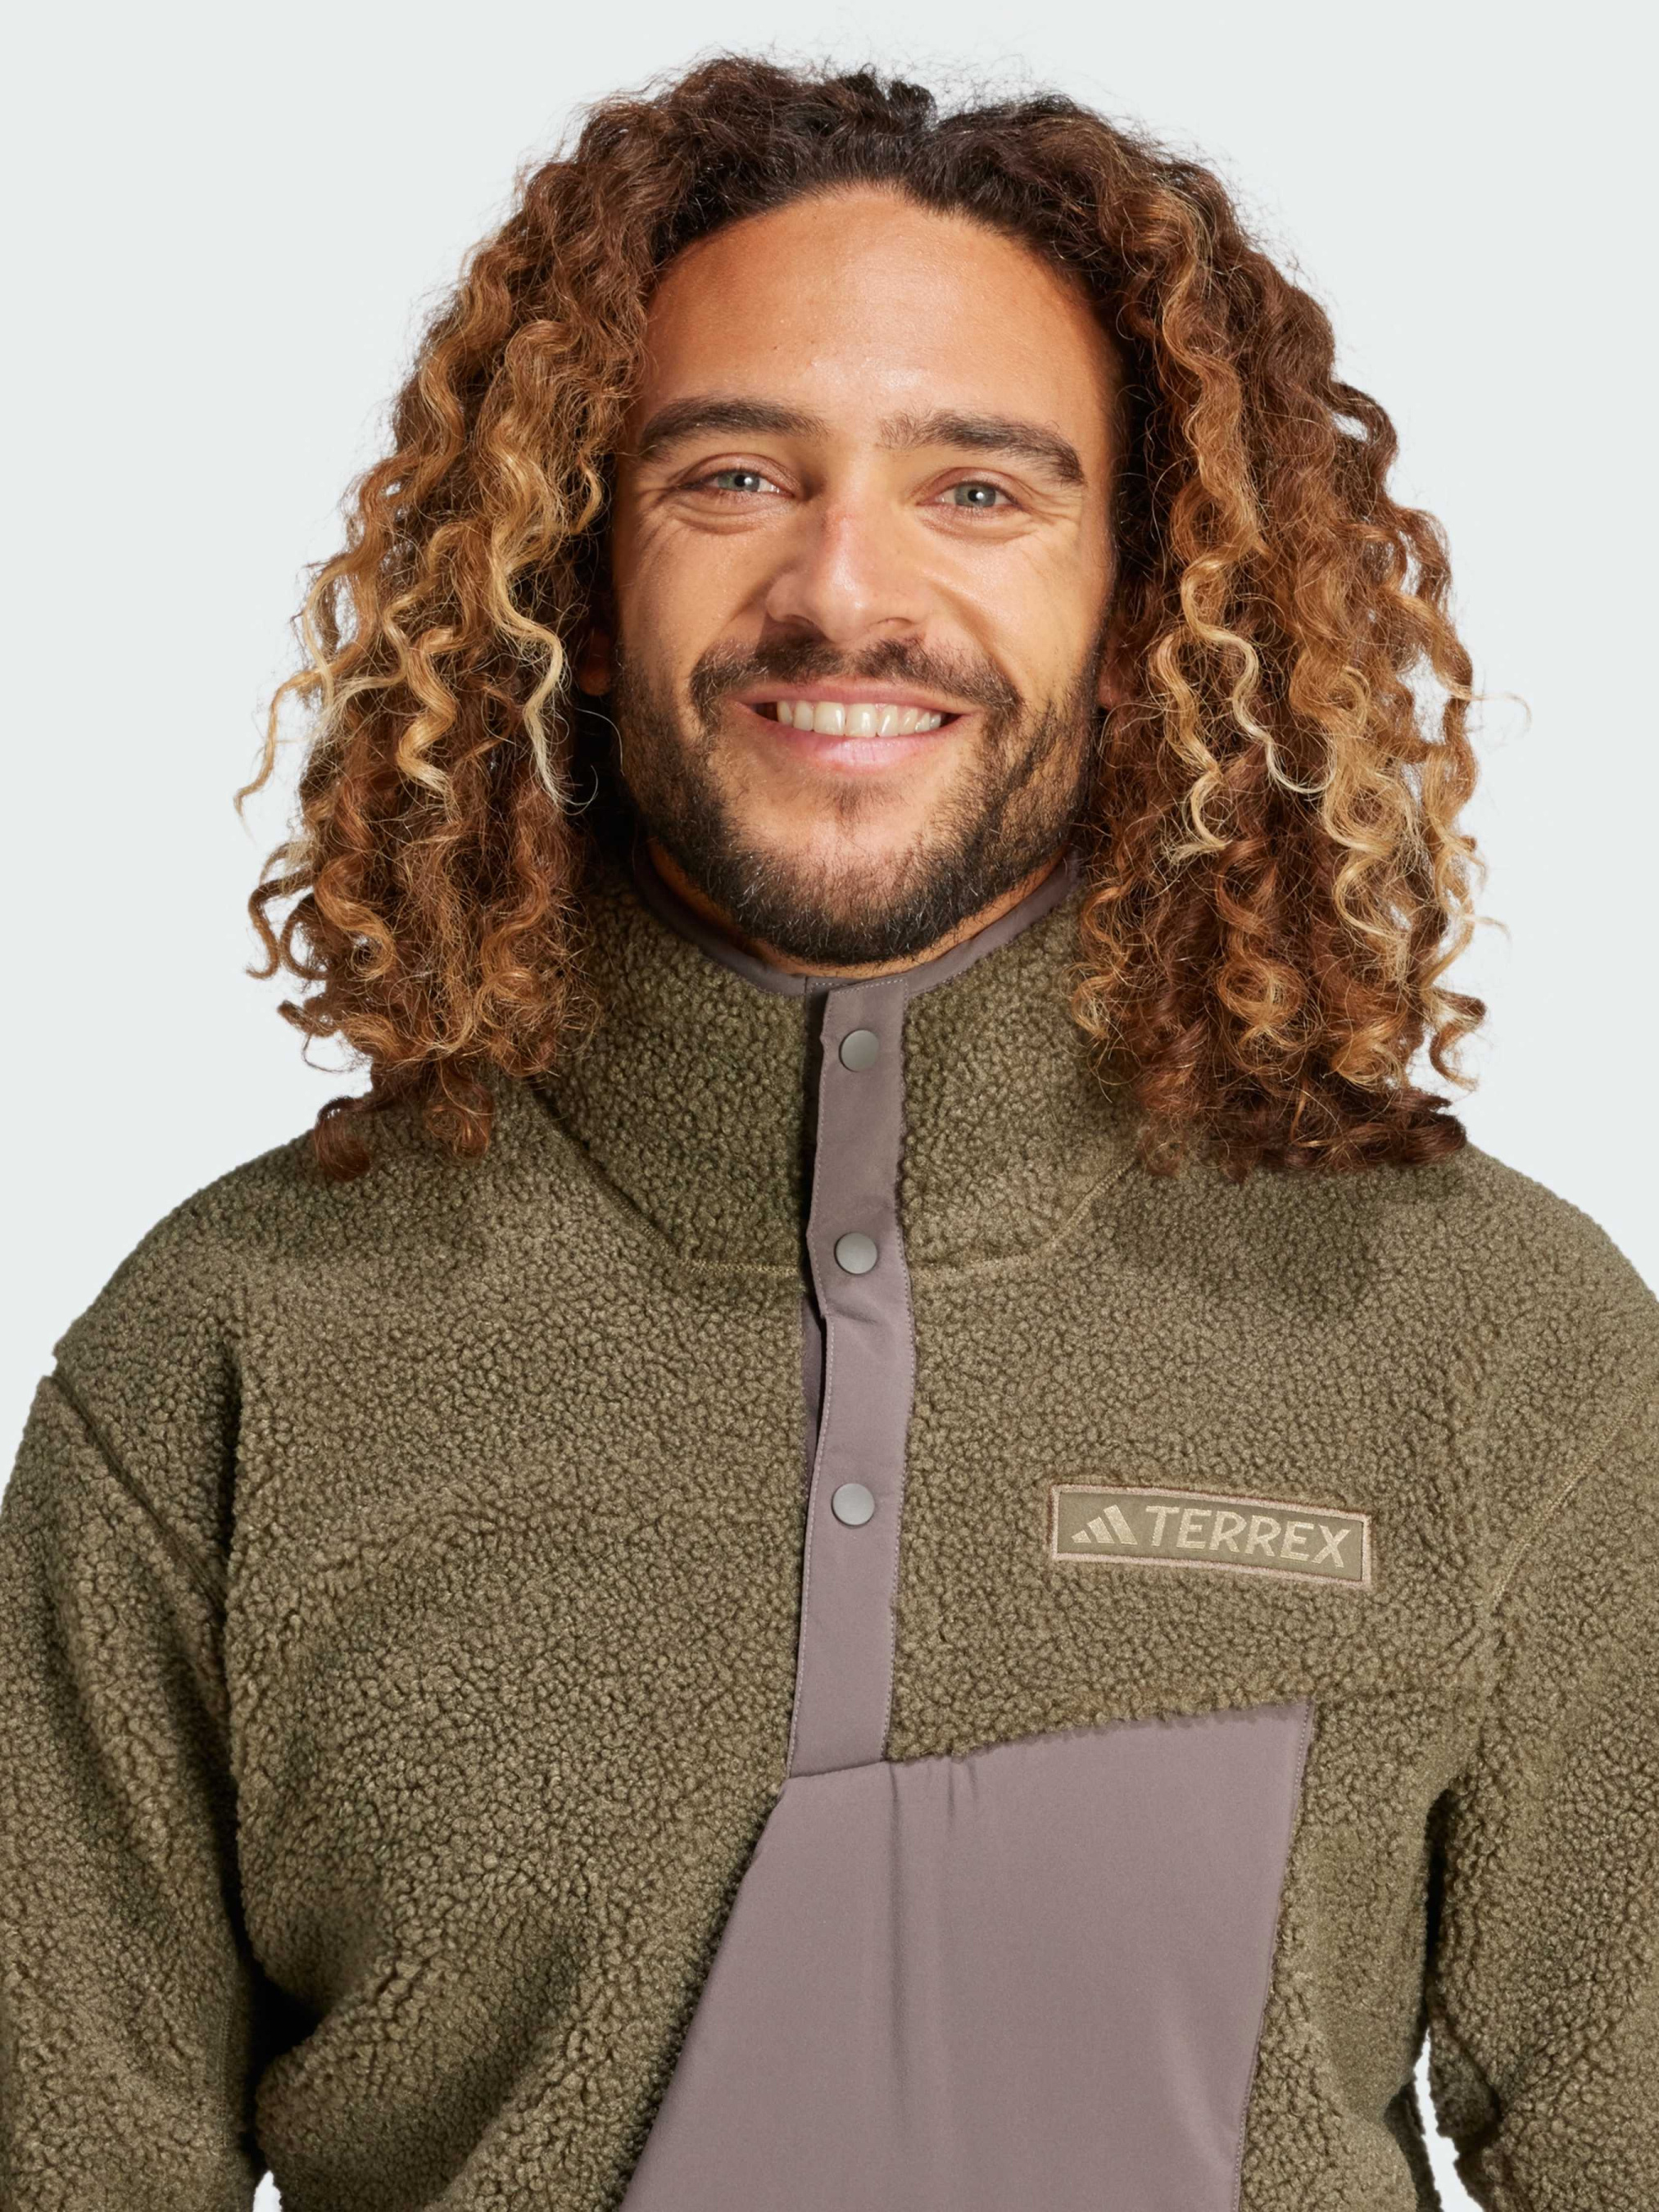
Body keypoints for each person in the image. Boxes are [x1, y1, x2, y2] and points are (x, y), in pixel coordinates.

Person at [1, 54, 1653, 2212]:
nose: (844, 588)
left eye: (979, 490)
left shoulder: (1491, 1333)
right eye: (732, 479)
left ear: (1141, 603)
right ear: (577, 588)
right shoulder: (226, 1351)